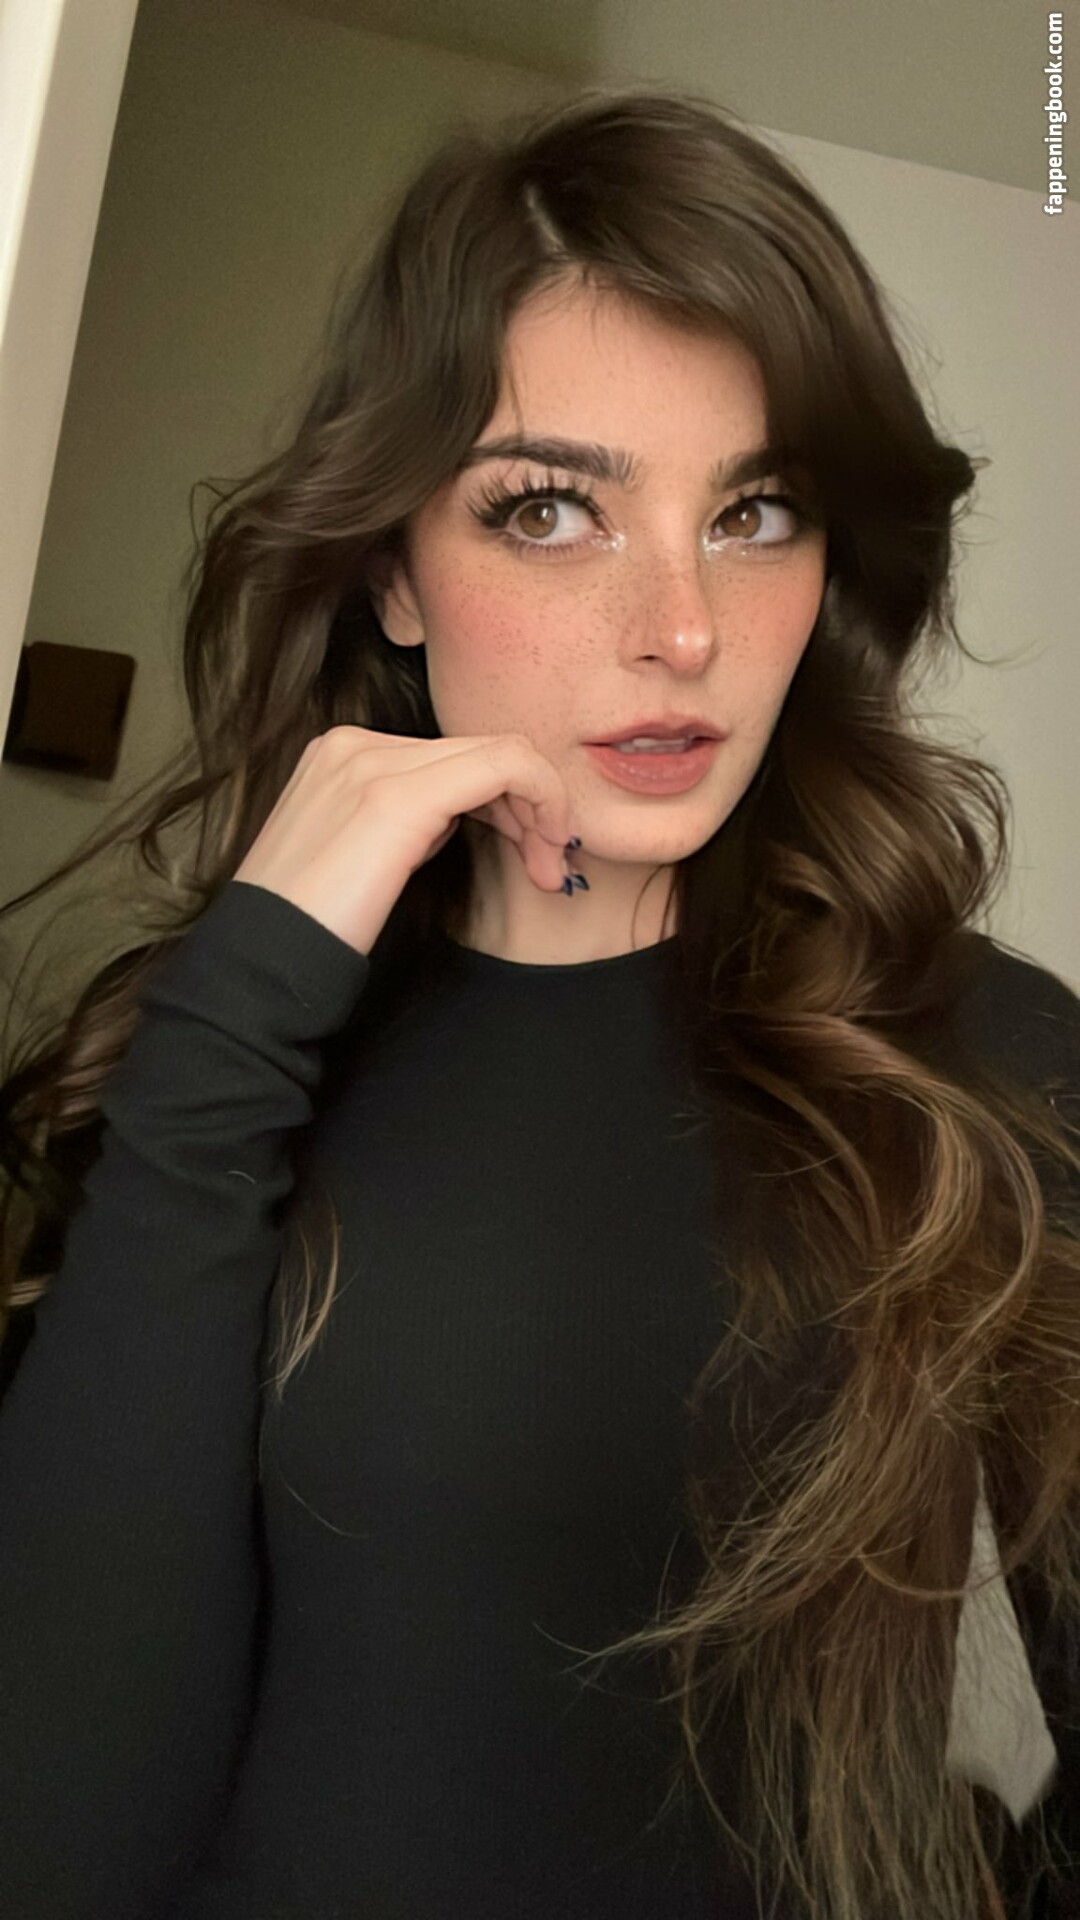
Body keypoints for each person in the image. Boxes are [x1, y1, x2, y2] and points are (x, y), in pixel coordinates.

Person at [0, 84, 1078, 1920]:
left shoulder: (982, 1061)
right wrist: (236, 1001)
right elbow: (58, 1837)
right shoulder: (209, 1064)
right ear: (393, 575)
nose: (683, 626)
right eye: (554, 509)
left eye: (755, 511)